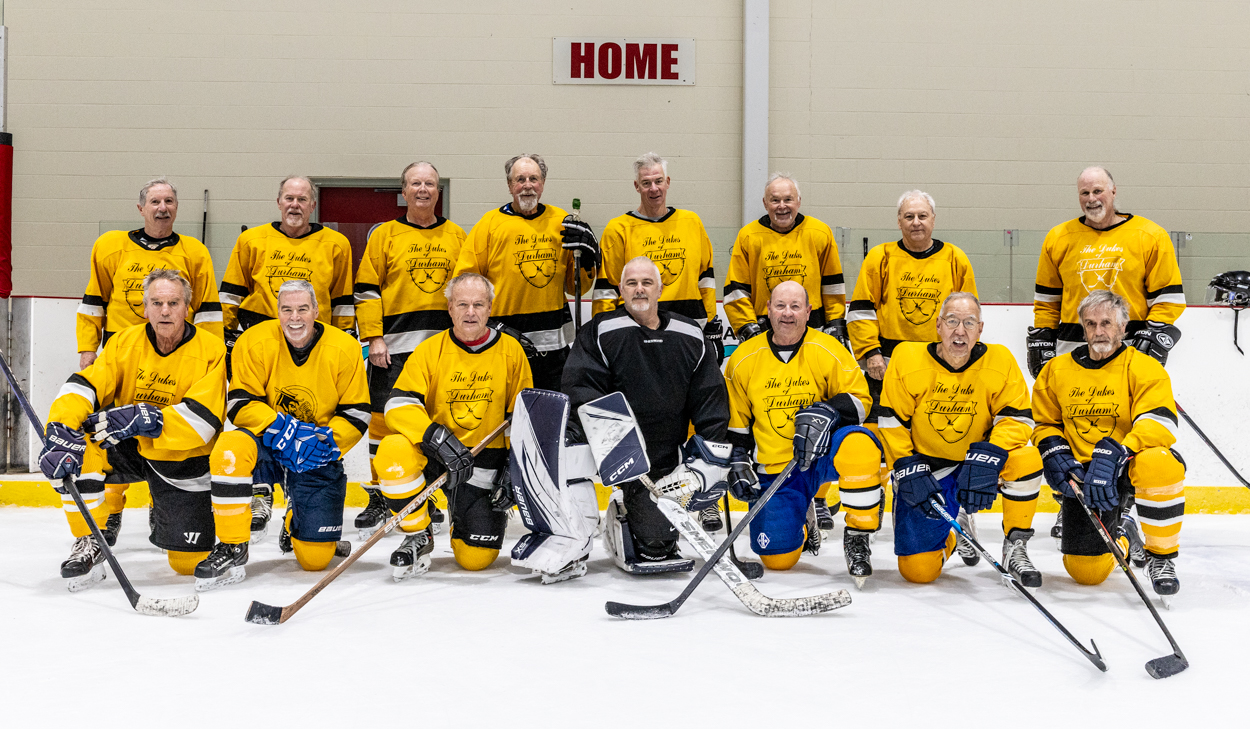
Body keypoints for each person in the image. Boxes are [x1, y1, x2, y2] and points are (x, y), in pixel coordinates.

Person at [40, 269, 227, 591]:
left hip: (181, 455)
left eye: (173, 303)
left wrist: (149, 419)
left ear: (187, 308)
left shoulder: (212, 349)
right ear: (145, 308)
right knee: (77, 446)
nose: (165, 311)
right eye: (156, 303)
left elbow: (205, 421)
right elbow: (85, 385)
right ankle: (90, 538)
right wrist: (60, 425)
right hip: (125, 445)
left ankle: (164, 503)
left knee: (186, 564)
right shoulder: (124, 342)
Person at [75, 178, 224, 542]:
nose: (162, 208)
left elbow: (207, 311)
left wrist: (213, 359)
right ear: (141, 208)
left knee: (167, 437)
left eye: (169, 201)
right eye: (155, 201)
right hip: (123, 361)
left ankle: (162, 501)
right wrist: (87, 348)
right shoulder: (110, 246)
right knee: (112, 435)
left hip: (177, 360)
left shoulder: (194, 252)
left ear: (177, 208)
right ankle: (111, 512)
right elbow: (94, 299)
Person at [564, 256, 731, 574]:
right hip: (617, 450)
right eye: (631, 283)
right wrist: (613, 442)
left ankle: (629, 512)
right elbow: (581, 388)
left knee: (656, 547)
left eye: (646, 283)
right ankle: (611, 510)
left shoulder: (689, 333)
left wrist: (709, 457)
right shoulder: (600, 330)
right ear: (621, 290)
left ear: (660, 289)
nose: (639, 289)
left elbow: (710, 397)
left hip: (666, 456)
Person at [197, 279, 368, 587]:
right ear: (277, 312)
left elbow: (356, 412)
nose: (295, 317)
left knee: (315, 561)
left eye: (303, 309)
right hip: (268, 445)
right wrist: (285, 430)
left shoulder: (344, 347)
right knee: (230, 446)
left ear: (316, 310)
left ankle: (294, 520)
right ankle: (232, 545)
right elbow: (239, 403)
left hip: (315, 453)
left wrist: (324, 443)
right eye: (287, 309)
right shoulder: (254, 341)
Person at [593, 152, 725, 531]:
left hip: (687, 340)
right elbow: (607, 289)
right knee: (653, 418)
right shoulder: (619, 229)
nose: (653, 188)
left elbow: (705, 277)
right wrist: (607, 335)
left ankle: (706, 497)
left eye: (658, 181)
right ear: (637, 186)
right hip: (639, 340)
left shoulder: (692, 222)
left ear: (668, 183)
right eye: (646, 182)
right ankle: (640, 493)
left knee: (700, 416)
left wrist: (709, 324)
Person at [219, 175, 356, 538]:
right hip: (259, 345)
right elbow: (231, 292)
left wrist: (345, 338)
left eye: (302, 199)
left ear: (313, 205)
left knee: (307, 416)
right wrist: (224, 338)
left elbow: (342, 298)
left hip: (312, 344)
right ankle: (261, 490)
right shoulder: (251, 240)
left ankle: (299, 499)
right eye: (289, 198)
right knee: (260, 416)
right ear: (278, 202)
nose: (295, 205)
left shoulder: (336, 244)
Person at [372, 272, 532, 579]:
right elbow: (397, 405)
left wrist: (515, 467)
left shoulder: (511, 351)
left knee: (475, 559)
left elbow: (522, 417)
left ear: (490, 308)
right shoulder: (429, 350)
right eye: (462, 304)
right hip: (437, 456)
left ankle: (463, 516)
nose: (470, 312)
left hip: (482, 460)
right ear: (449, 308)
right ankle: (418, 532)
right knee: (393, 450)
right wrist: (435, 437)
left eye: (478, 304)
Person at [879, 293, 1044, 584]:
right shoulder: (907, 358)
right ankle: (956, 532)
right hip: (930, 469)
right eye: (952, 321)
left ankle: (1015, 546)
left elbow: (1018, 419)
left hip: (977, 465)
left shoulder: (1000, 360)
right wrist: (908, 467)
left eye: (969, 323)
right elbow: (892, 422)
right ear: (938, 325)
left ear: (980, 330)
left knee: (1026, 459)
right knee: (917, 572)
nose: (960, 330)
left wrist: (988, 455)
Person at [724, 281, 882, 583]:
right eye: (780, 306)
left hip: (821, 457)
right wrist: (739, 459)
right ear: (768, 309)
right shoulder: (744, 358)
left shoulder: (829, 349)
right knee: (778, 560)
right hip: (776, 468)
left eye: (795, 306)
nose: (788, 313)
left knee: (860, 445)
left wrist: (829, 410)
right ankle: (804, 522)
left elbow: (862, 400)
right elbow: (737, 421)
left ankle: (858, 534)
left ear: (808, 312)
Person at [1031, 290, 1185, 596]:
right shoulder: (1056, 370)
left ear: (1123, 327)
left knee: (1160, 462)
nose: (1098, 331)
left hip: (1127, 464)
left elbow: (1161, 422)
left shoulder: (1143, 367)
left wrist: (1120, 452)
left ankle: (1161, 557)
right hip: (1085, 475)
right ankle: (1124, 535)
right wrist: (1055, 452)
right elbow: (1044, 422)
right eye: (1090, 324)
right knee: (1086, 573)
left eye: (1106, 323)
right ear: (1083, 328)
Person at [723, 173, 851, 531]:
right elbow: (735, 289)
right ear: (765, 203)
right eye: (775, 200)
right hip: (768, 336)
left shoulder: (819, 233)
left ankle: (819, 498)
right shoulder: (749, 236)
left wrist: (836, 322)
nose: (782, 206)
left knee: (818, 417)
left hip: (812, 335)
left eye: (788, 199)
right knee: (773, 414)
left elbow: (833, 283)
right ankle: (780, 490)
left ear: (799, 202)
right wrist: (747, 328)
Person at [353, 161, 467, 537]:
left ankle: (427, 494)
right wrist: (374, 337)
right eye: (415, 183)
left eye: (429, 184)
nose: (423, 189)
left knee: (433, 424)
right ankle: (379, 494)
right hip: (393, 349)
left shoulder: (457, 236)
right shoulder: (384, 235)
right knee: (382, 422)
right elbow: (366, 289)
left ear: (438, 191)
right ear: (403, 192)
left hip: (442, 350)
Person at [454, 154, 596, 391]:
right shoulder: (489, 225)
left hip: (554, 349)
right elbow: (464, 284)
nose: (527, 185)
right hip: (505, 343)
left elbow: (575, 287)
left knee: (552, 407)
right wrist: (493, 326)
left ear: (543, 183)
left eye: (534, 179)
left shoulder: (562, 222)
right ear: (510, 185)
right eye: (520, 179)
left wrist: (588, 260)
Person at [1028, 167, 1185, 377]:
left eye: (1097, 191)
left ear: (1113, 191)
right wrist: (1044, 336)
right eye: (1084, 193)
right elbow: (1047, 303)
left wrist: (1152, 336)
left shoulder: (1151, 236)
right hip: (1072, 351)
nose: (1091, 199)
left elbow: (1167, 300)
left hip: (1128, 350)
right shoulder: (1058, 238)